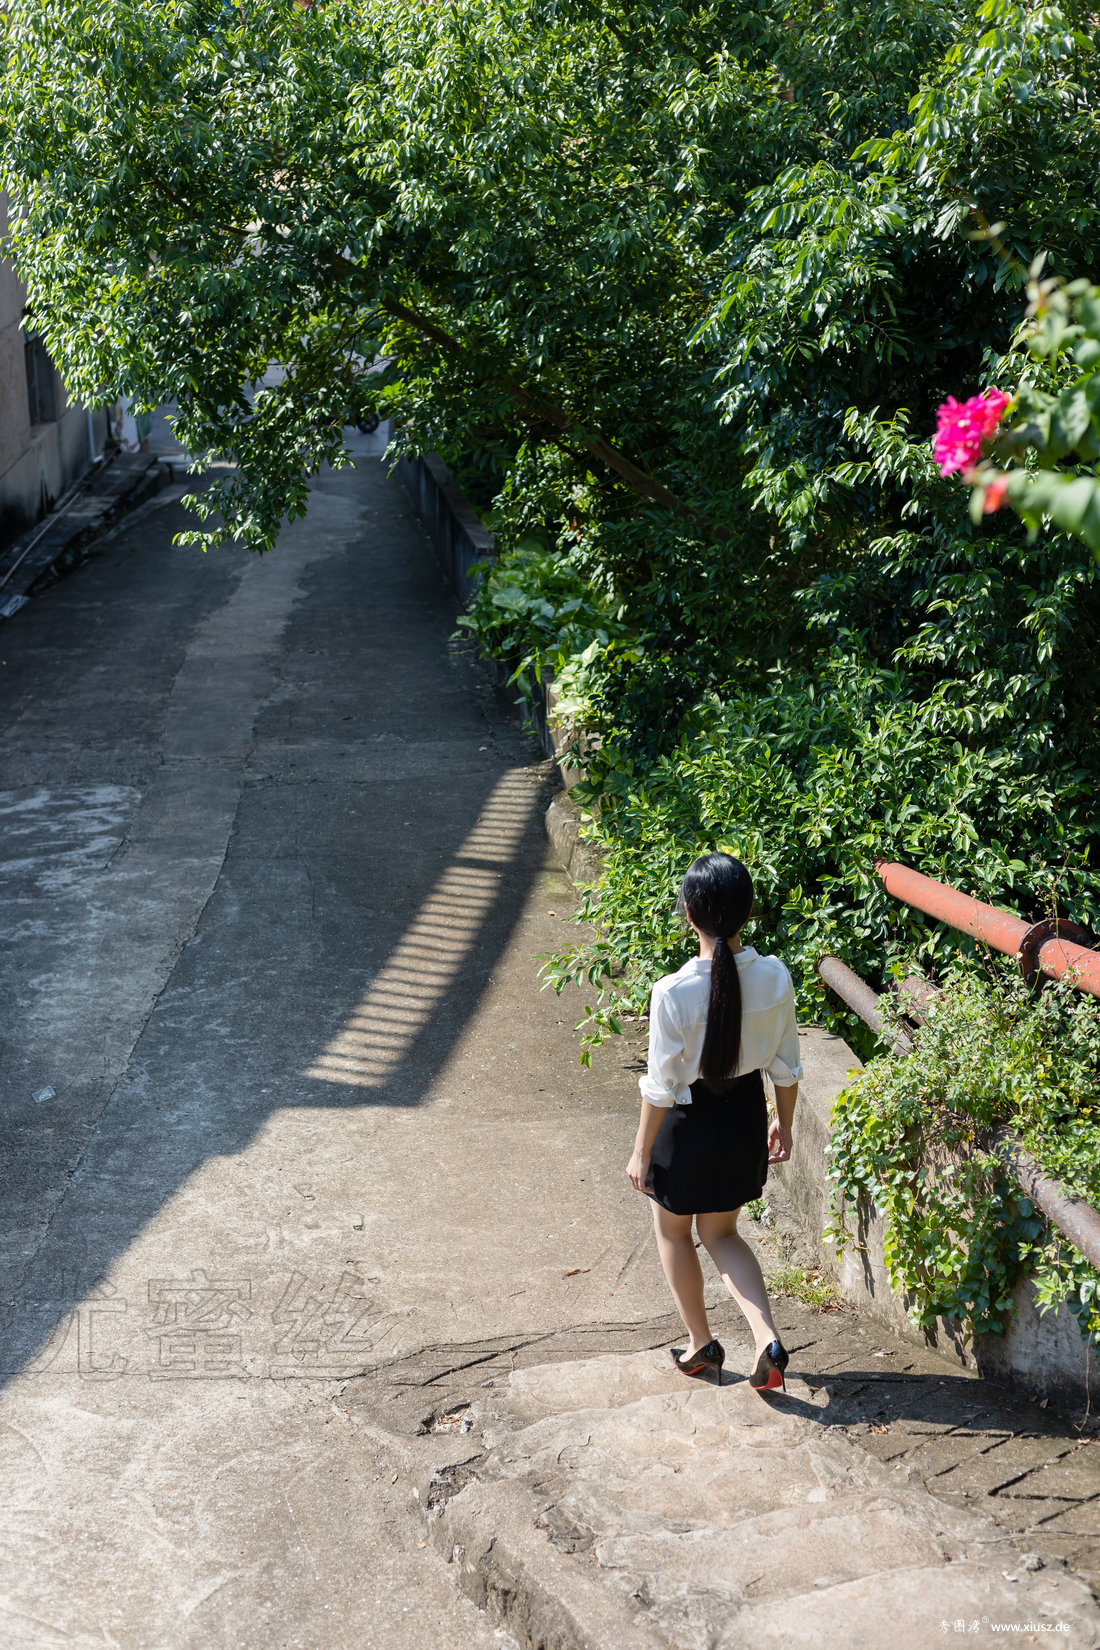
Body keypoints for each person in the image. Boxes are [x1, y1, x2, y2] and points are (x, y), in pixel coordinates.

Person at [625, 851, 802, 1392]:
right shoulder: (775, 976)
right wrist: (784, 1124)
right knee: (722, 1232)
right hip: (744, 1117)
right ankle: (766, 1340)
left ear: (688, 913)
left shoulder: (672, 992)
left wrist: (640, 1152)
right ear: (749, 910)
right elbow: (786, 1068)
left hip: (686, 1124)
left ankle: (701, 1344)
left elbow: (660, 1086)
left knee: (673, 1231)